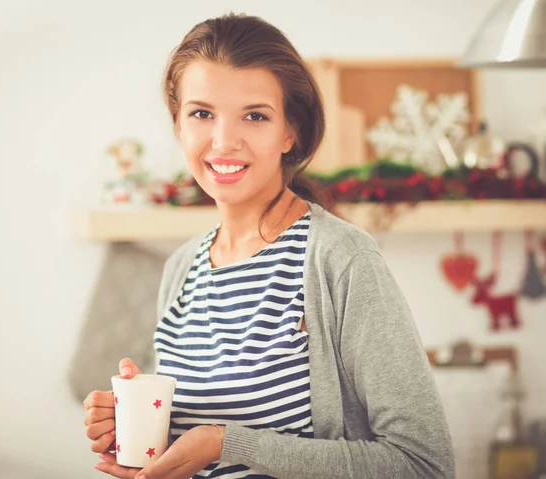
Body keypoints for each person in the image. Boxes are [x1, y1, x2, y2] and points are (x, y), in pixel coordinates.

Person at [83, 12, 455, 479]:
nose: (223, 141)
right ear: (178, 124)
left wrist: (227, 443)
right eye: (202, 113)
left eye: (255, 116)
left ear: (289, 131)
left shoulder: (341, 260)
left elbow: (423, 464)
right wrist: (133, 432)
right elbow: (183, 451)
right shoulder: (181, 268)